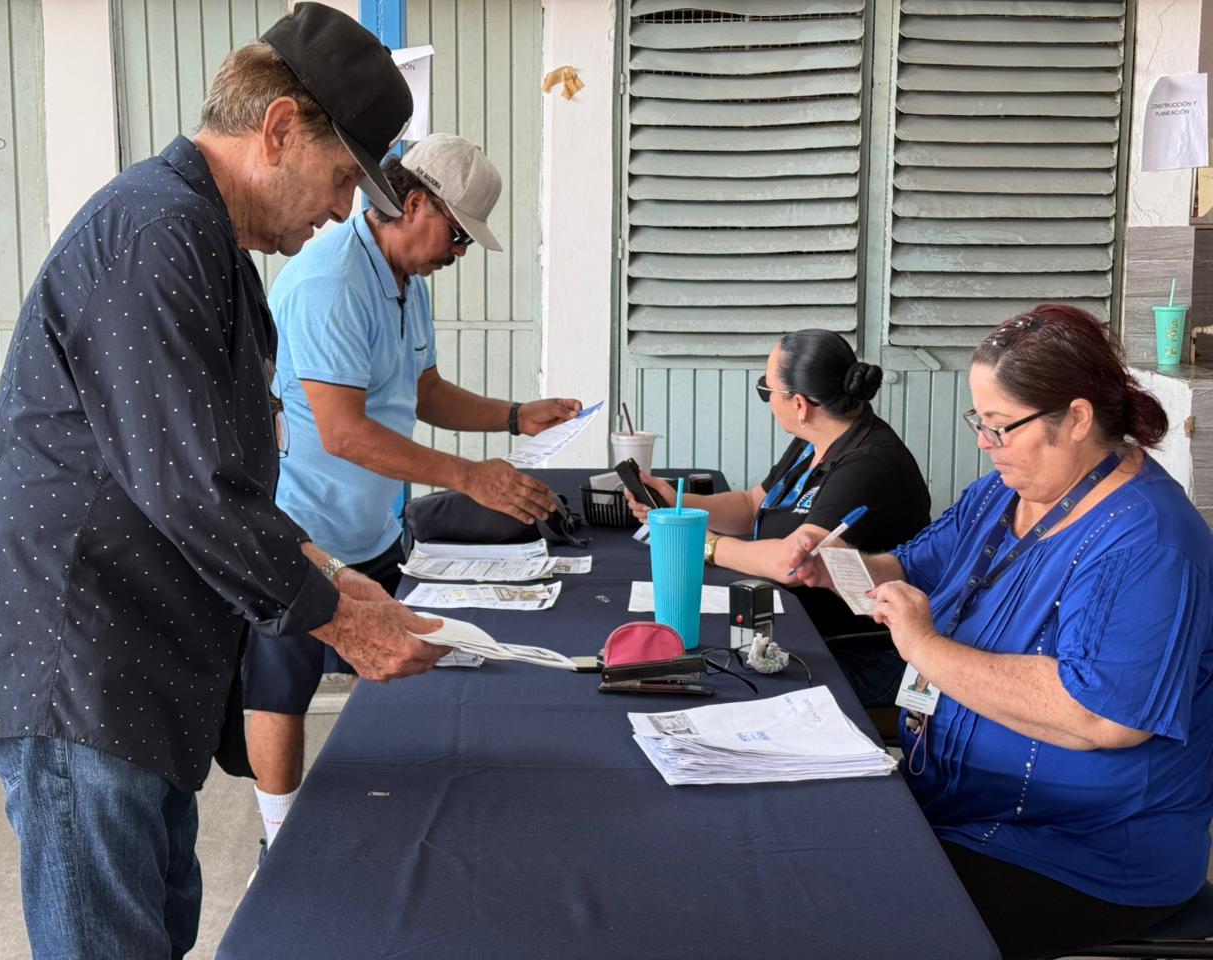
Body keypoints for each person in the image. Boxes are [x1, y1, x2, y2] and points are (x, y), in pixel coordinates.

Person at [0, 7, 448, 958]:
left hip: (135, 656)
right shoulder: (156, 230)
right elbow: (190, 484)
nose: (342, 211)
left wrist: (329, 571)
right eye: (342, 180)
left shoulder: (209, 241)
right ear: (281, 128)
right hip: (77, 654)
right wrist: (339, 616)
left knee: (157, 925)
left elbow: (226, 479)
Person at [791, 304, 1213, 960]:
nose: (985, 444)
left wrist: (924, 646)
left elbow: (1097, 716)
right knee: (793, 861)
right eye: (979, 423)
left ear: (1075, 418)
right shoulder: (1003, 495)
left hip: (1078, 851)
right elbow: (911, 566)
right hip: (956, 804)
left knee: (848, 926)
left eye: (1000, 427)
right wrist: (839, 564)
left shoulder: (1147, 543)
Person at [242, 134, 581, 848]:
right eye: (458, 236)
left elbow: (419, 389)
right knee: (281, 685)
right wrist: (468, 475)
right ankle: (278, 840)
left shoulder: (405, 284)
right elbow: (344, 433)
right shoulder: (332, 282)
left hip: (371, 527)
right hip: (301, 527)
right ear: (415, 202)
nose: (458, 254)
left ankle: (403, 817)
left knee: (414, 658)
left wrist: (515, 416)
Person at [624, 329, 930, 704]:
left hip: (854, 650)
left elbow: (793, 563)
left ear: (799, 403)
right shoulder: (815, 439)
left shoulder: (868, 463)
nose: (768, 401)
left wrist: (706, 545)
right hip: (797, 626)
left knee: (707, 679)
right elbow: (753, 505)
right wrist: (679, 504)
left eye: (767, 392)